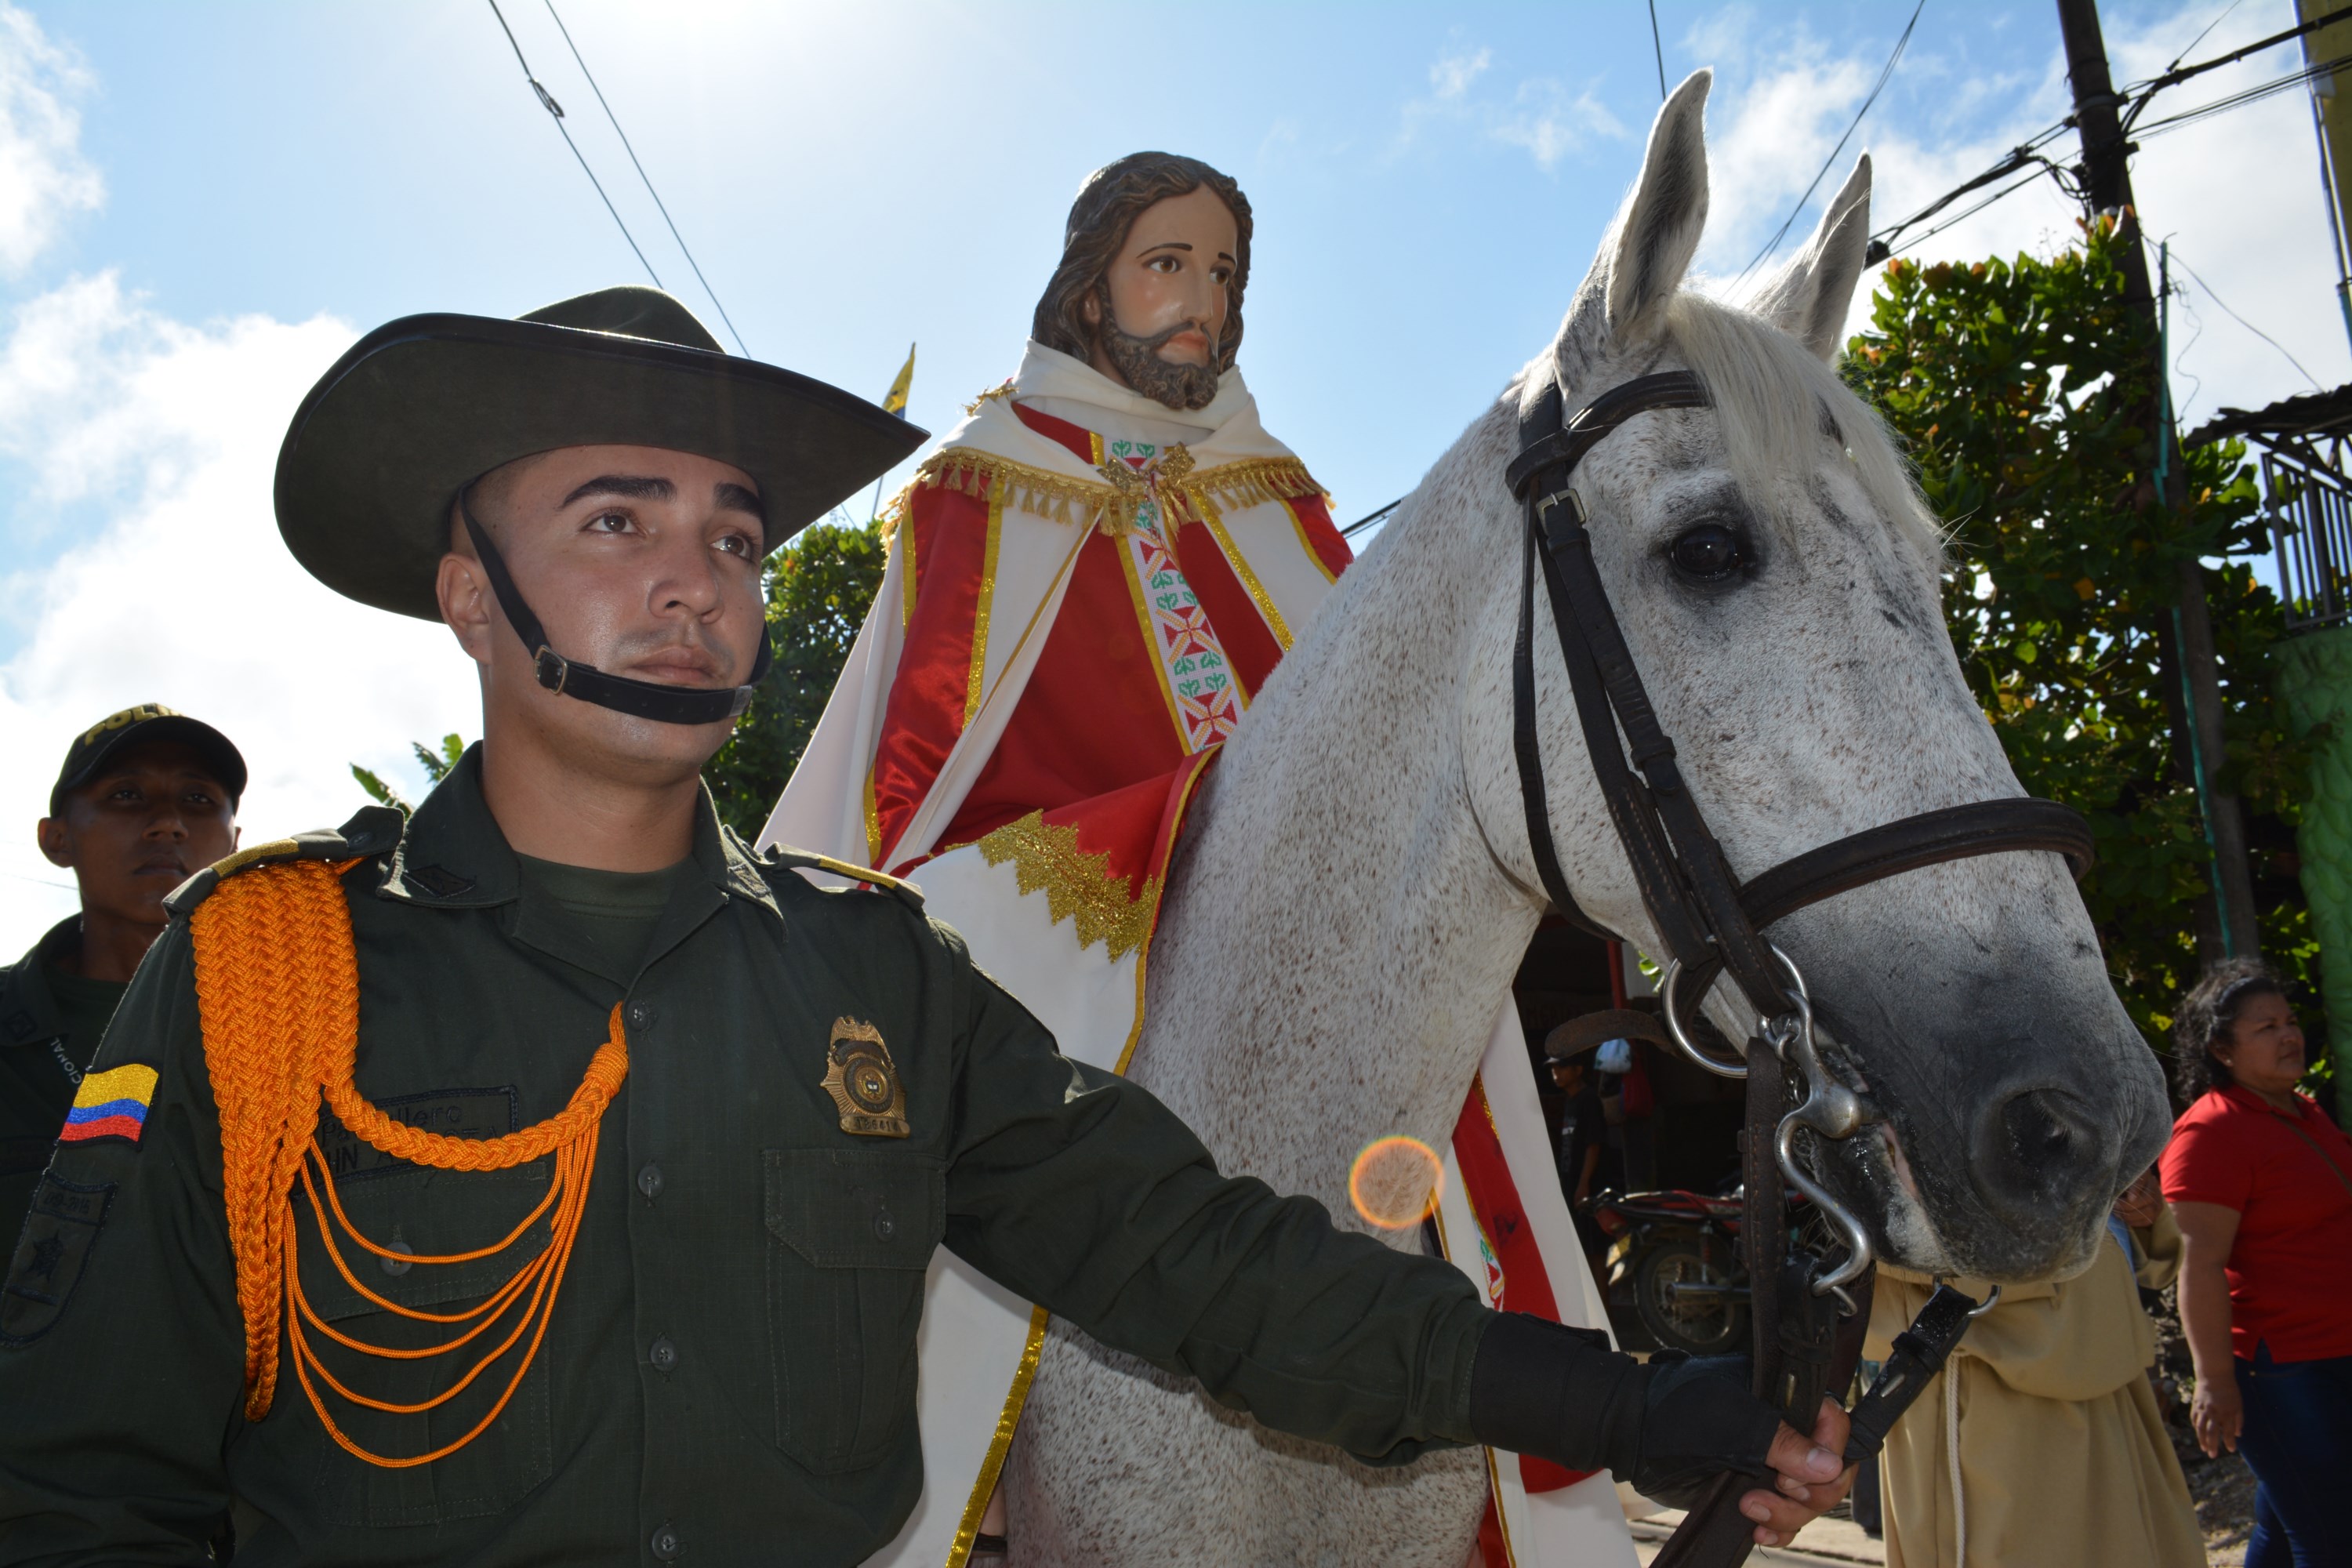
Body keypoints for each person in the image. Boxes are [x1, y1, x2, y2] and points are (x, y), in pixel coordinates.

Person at [0, 287, 1853, 1566]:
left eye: (734, 537)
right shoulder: (264, 970)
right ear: (470, 596)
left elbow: (1206, 1261)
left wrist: (1638, 1404)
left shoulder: (874, 969)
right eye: (616, 521)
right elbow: (83, 1486)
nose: (695, 581)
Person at [761, 152, 1619, 1559]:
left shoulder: (1268, 490)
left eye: (1222, 272)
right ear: (1090, 287)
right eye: (1167, 263)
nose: (1201, 301)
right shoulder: (986, 482)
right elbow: (920, 781)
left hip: (1314, 925)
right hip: (1080, 912)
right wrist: (1162, 830)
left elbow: (1379, 719)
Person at [1861, 1161, 2203, 1567]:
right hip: (1989, 1398)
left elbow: (2141, 1252)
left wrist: (2135, 1204)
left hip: (2110, 1375)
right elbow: (1880, 1237)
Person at [0, 705, 243, 1229]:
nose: (168, 824)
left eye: (198, 800)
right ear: (57, 839)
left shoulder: (308, 1033)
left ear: (235, 844)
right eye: (126, 795)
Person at [2161, 960, 2352, 1568]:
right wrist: (2213, 1380)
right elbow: (2199, 1264)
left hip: (2333, 1349)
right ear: (2222, 1049)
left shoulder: (2303, 1111)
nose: (2289, 1035)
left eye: (2290, 1021)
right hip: (2281, 1369)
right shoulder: (2211, 1132)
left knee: (2293, 1514)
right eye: (2266, 1028)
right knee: (2330, 1537)